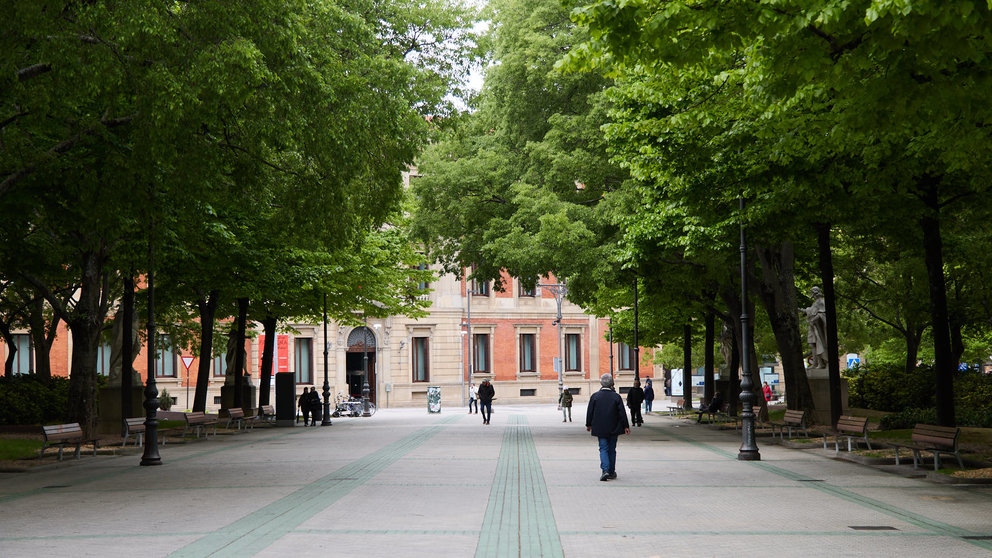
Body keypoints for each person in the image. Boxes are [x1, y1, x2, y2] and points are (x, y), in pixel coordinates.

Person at [586, 374, 630, 481]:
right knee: (612, 449)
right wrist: (626, 426)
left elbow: (590, 412)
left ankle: (605, 470)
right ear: (612, 384)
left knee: (603, 448)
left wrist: (588, 424)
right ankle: (611, 471)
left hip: (600, 428)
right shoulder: (616, 397)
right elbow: (622, 413)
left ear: (601, 383)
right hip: (614, 427)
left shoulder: (595, 396)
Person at [803, 286, 828, 368]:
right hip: (813, 326)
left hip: (818, 327)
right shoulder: (816, 303)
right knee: (813, 345)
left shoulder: (821, 301)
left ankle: (822, 363)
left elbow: (822, 313)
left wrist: (814, 319)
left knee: (819, 344)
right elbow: (812, 311)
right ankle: (818, 363)